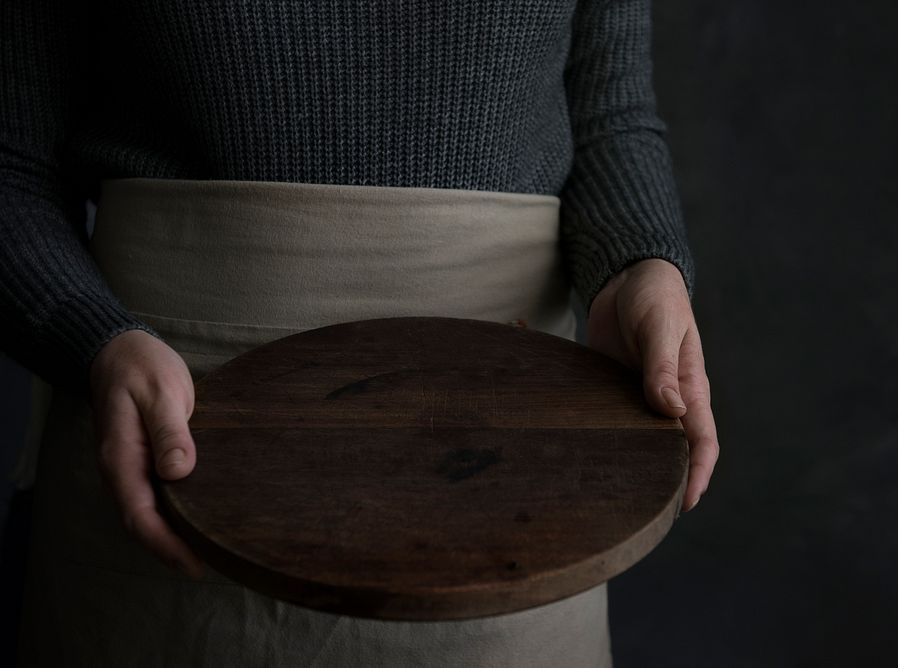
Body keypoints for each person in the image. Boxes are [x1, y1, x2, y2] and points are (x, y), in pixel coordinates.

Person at [1, 1, 719, 666]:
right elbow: (11, 166)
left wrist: (639, 264)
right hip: (168, 435)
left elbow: (607, 117)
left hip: (510, 473)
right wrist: (91, 338)